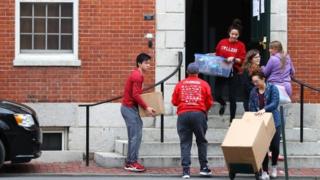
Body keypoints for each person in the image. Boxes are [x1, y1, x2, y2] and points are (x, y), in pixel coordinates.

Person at [171, 62, 213, 179]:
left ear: (187, 73)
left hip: (183, 114)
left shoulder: (180, 84)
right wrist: (204, 110)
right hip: (199, 113)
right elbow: (209, 102)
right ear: (198, 73)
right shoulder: (204, 84)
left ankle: (186, 171)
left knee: (185, 143)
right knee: (201, 141)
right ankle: (204, 168)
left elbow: (174, 102)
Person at [121, 53, 156, 172]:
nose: (149, 65)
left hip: (131, 109)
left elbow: (136, 94)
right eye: (146, 63)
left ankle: (130, 161)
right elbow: (135, 95)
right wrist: (146, 107)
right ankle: (131, 163)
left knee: (136, 135)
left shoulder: (138, 74)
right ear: (139, 64)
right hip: (129, 108)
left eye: (149, 62)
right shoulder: (137, 75)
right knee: (135, 136)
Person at [249, 70, 281, 180]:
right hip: (260, 123)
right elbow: (251, 106)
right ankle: (265, 171)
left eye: (257, 81)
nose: (255, 84)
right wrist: (254, 113)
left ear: (263, 79)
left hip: (274, 121)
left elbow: (275, 103)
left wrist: (264, 109)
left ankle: (274, 166)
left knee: (275, 147)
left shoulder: (273, 88)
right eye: (253, 82)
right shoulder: (253, 91)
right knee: (263, 148)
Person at [215, 19, 246, 123]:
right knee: (217, 94)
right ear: (229, 33)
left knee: (232, 96)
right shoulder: (222, 42)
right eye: (232, 34)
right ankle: (222, 103)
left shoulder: (240, 45)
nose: (234, 36)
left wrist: (233, 58)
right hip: (221, 71)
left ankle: (232, 119)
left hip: (233, 71)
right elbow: (217, 55)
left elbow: (242, 60)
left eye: (236, 34)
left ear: (238, 35)